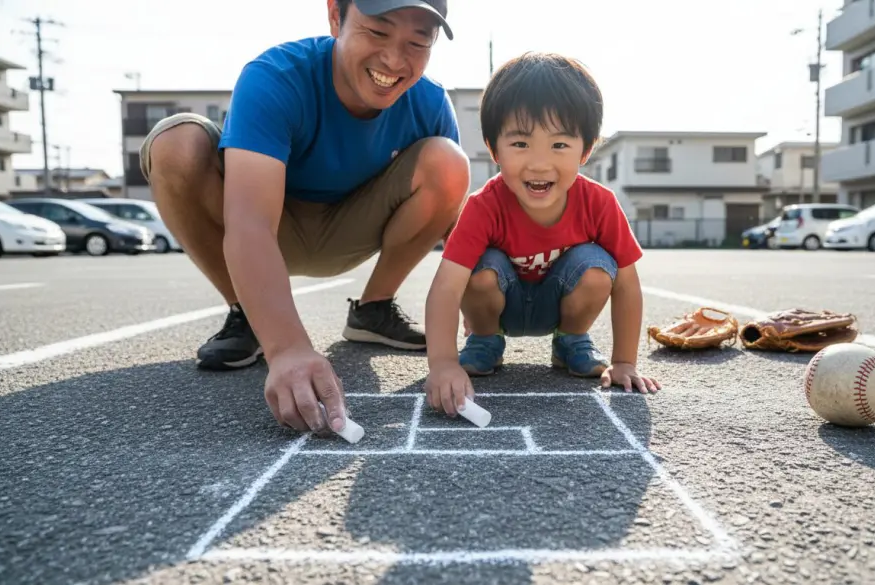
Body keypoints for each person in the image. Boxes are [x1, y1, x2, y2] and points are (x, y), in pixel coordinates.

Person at [140, 0, 471, 435]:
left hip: (353, 226)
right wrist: (287, 347)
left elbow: (461, 232)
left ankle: (373, 309)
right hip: (272, 224)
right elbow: (250, 223)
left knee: (449, 162)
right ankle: (248, 313)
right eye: (377, 32)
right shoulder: (275, 76)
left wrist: (484, 310)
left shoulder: (429, 102)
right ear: (335, 16)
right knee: (176, 143)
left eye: (417, 42)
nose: (394, 60)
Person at [422, 52, 662, 416]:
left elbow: (627, 283)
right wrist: (442, 364)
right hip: (501, 306)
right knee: (481, 267)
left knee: (598, 266)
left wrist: (624, 362)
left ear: (586, 150)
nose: (538, 163)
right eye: (520, 144)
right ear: (494, 148)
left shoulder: (599, 203)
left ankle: (570, 340)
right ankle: (485, 340)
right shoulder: (482, 206)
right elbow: (446, 286)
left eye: (559, 145)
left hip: (558, 303)